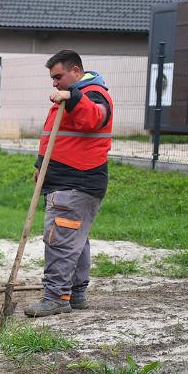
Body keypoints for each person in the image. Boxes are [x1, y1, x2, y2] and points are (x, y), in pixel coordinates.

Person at [24, 50, 113, 318]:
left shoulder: (92, 95)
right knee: (76, 239)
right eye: (52, 78)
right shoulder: (72, 97)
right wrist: (42, 166)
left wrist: (72, 96)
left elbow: (95, 118)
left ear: (76, 71)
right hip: (65, 180)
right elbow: (58, 136)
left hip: (77, 182)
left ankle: (55, 298)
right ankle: (75, 294)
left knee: (60, 240)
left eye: (58, 77)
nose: (54, 83)